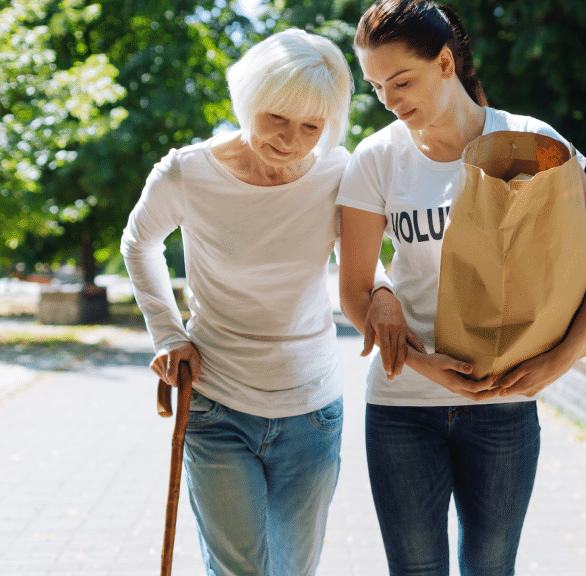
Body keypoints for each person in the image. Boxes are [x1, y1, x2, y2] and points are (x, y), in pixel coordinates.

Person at [335, 2, 586, 574]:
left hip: (505, 407)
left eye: (402, 81)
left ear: (445, 62)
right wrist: (422, 362)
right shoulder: (376, 159)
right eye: (377, 88)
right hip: (403, 410)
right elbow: (353, 288)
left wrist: (559, 362)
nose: (391, 101)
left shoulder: (530, 142)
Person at [120, 28, 410, 576]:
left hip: (312, 406)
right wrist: (169, 333)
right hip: (216, 402)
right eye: (276, 117)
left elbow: (361, 260)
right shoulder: (187, 172)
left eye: (311, 126)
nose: (291, 140)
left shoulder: (337, 172)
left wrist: (386, 293)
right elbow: (139, 242)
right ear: (248, 100)